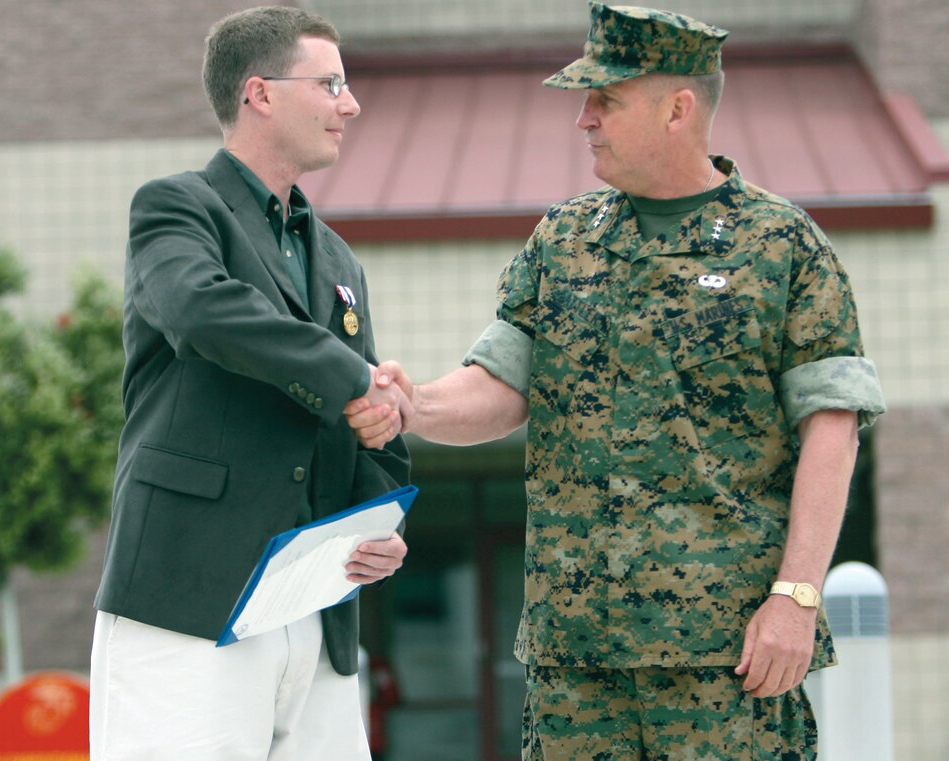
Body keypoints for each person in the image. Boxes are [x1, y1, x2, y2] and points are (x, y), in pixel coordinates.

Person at [346, 3, 886, 759]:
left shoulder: (785, 247)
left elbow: (831, 426)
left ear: (678, 108)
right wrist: (416, 405)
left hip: (723, 660)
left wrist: (796, 595)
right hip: (577, 660)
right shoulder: (564, 240)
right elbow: (502, 384)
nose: (585, 119)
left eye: (606, 99)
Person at [90, 7, 413, 760]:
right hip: (189, 597)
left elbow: (362, 418)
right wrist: (351, 378)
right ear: (260, 93)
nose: (351, 103)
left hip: (319, 615)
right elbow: (200, 309)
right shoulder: (175, 208)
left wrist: (381, 526)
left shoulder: (338, 258)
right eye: (331, 82)